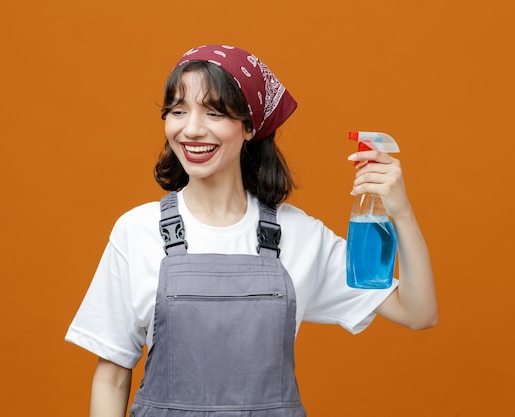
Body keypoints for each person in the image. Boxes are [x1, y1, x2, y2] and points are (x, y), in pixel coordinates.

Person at [65, 44, 437, 417]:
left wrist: (399, 210)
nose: (191, 129)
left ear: (248, 127)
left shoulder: (299, 236)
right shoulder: (136, 231)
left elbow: (418, 312)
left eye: (213, 112)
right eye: (178, 111)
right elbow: (112, 376)